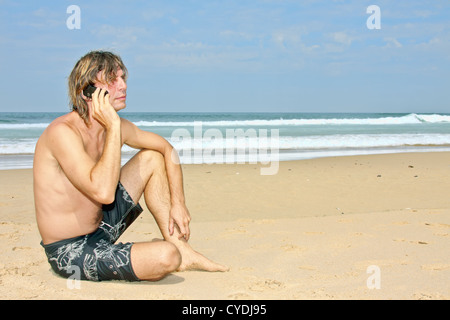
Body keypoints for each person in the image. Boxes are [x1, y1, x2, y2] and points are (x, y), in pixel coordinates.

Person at [33, 50, 228, 282]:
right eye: (113, 80)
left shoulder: (118, 126)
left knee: (152, 157)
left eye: (123, 78)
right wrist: (114, 126)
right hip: (70, 250)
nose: (123, 86)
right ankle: (174, 254)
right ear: (87, 92)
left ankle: (184, 251)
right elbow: (103, 193)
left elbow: (167, 150)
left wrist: (178, 203)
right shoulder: (63, 133)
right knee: (166, 257)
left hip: (101, 227)